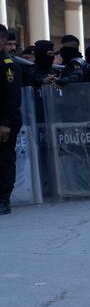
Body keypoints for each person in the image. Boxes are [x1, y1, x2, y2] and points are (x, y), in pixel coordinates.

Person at [0, 24, 22, 215]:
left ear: (2, 41)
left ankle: (3, 200)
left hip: (5, 122)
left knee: (5, 160)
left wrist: (6, 124)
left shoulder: (8, 65)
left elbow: (12, 97)